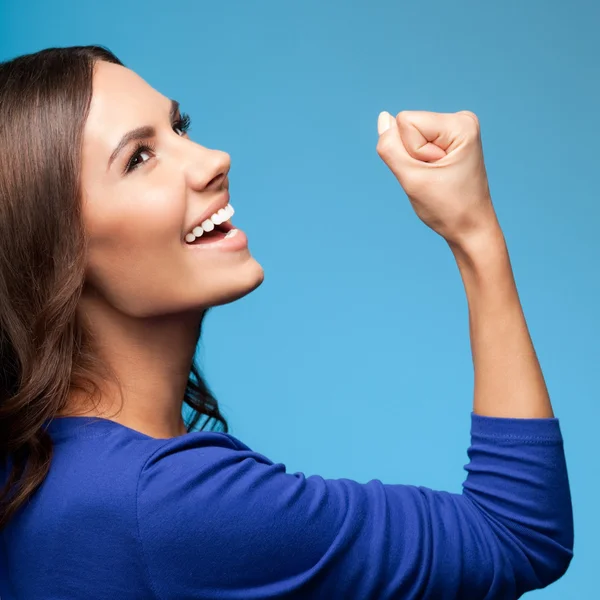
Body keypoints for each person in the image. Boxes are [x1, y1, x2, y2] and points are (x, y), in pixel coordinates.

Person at [0, 45, 573, 599]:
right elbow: (518, 534)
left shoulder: (42, 473)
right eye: (138, 158)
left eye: (179, 128)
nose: (212, 159)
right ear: (55, 254)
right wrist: (474, 233)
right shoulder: (169, 504)